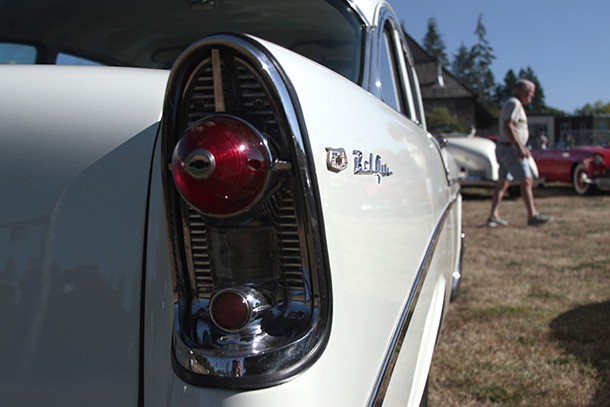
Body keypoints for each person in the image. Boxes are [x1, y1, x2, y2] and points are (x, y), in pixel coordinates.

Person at [487, 79, 552, 227]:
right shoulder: (514, 104)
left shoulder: (512, 104)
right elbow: (508, 125)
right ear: (522, 91)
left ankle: (493, 216)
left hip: (505, 147)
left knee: (503, 183)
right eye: (531, 92)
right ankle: (532, 216)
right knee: (526, 180)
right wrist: (519, 146)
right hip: (511, 149)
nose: (532, 96)